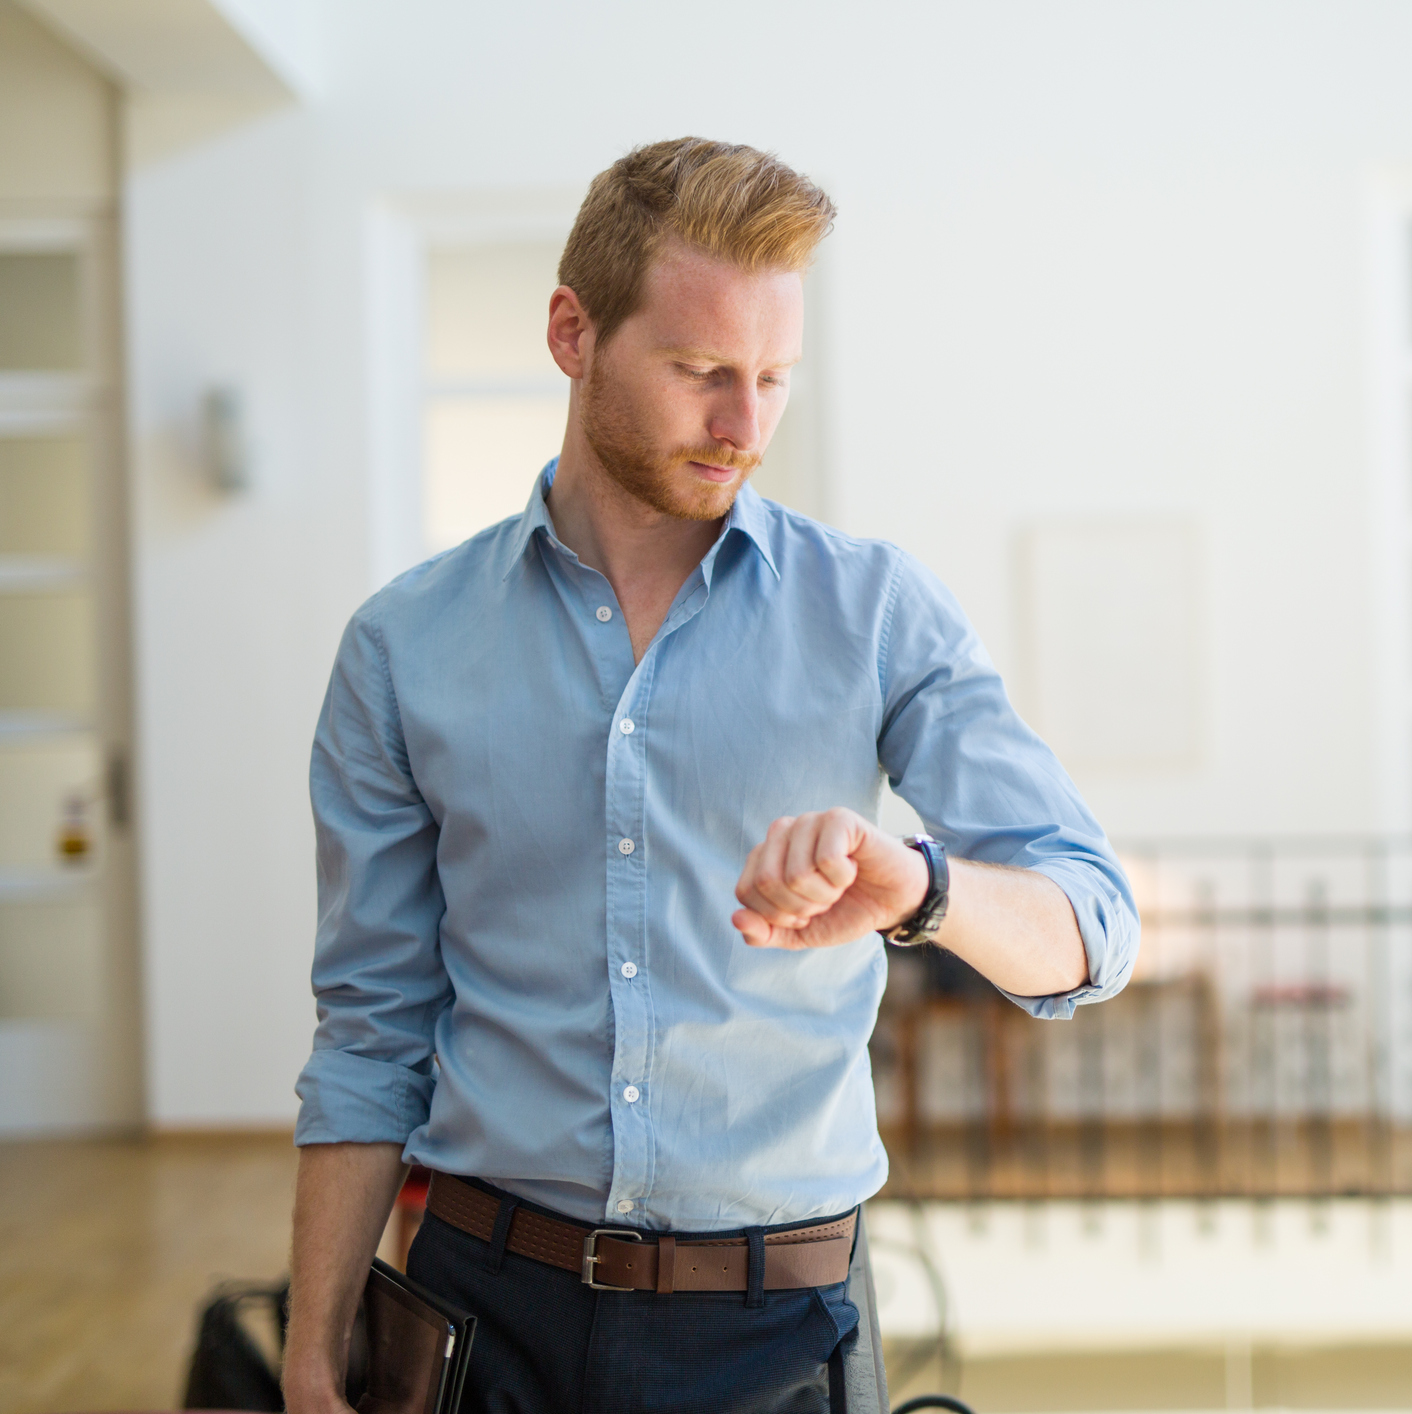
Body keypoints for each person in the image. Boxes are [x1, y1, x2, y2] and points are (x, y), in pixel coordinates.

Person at [281, 138, 1138, 1414]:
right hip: (481, 1314)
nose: (744, 425)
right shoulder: (405, 649)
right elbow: (370, 1025)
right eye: (700, 373)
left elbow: (1093, 928)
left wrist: (916, 888)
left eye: (775, 378)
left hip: (779, 1332)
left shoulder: (875, 612)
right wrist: (310, 1350)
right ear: (574, 333)